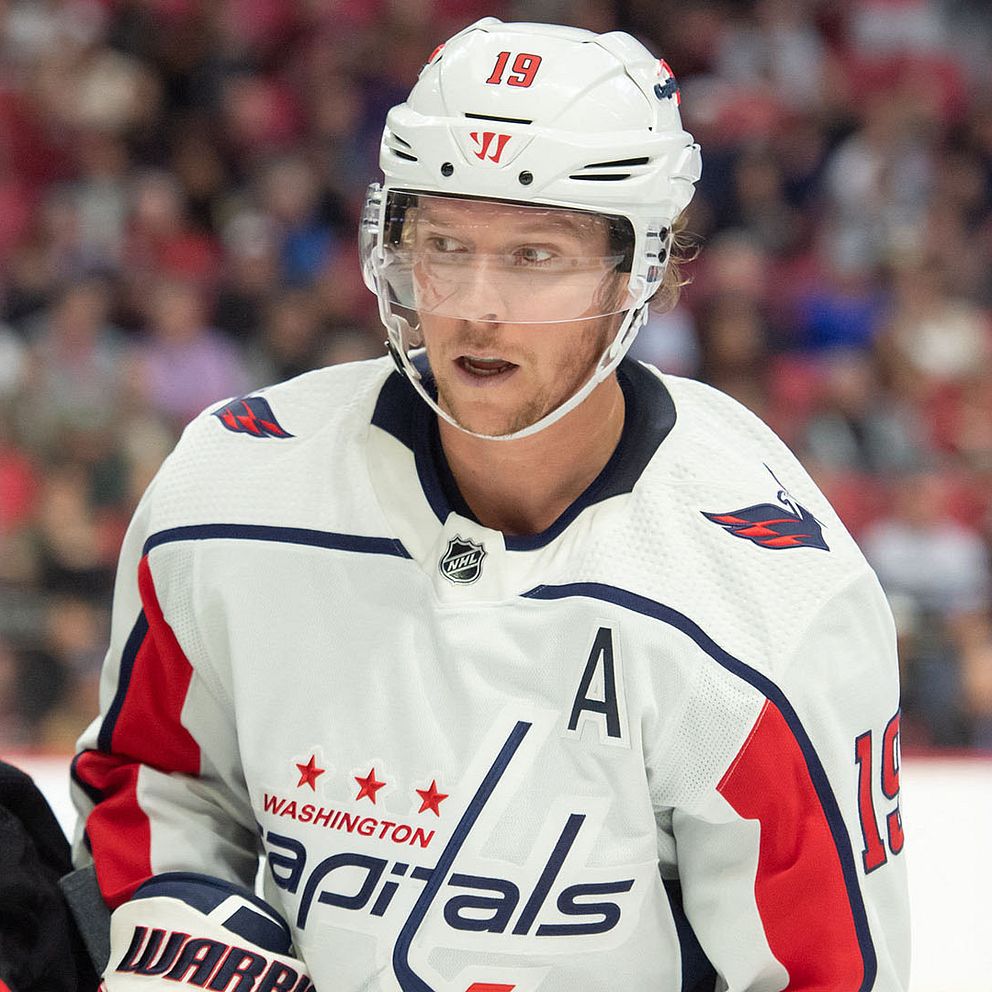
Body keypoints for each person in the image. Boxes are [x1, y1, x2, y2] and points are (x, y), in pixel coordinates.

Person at [69, 18, 910, 991]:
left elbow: (822, 973)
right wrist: (177, 923)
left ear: (639, 269)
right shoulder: (230, 489)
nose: (475, 306)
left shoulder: (766, 607)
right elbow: (153, 784)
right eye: (444, 244)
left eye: (534, 256)